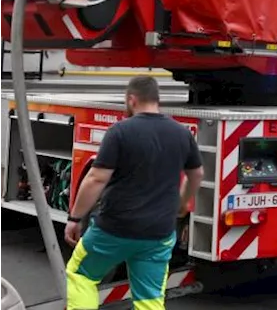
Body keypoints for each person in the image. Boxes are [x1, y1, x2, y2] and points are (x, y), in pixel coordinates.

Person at [64, 76, 204, 310]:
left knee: (81, 275)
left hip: (115, 229)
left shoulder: (120, 131)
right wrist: (182, 203)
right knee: (149, 297)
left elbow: (96, 178)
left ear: (132, 100)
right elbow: (196, 174)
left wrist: (75, 218)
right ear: (157, 100)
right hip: (158, 232)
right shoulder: (181, 133)